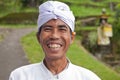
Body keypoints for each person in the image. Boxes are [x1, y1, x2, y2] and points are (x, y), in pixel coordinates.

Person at [9, 1, 101, 80]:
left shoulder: (88, 78)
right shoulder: (20, 76)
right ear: (38, 37)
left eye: (62, 29)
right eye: (48, 29)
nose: (54, 36)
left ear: (72, 37)